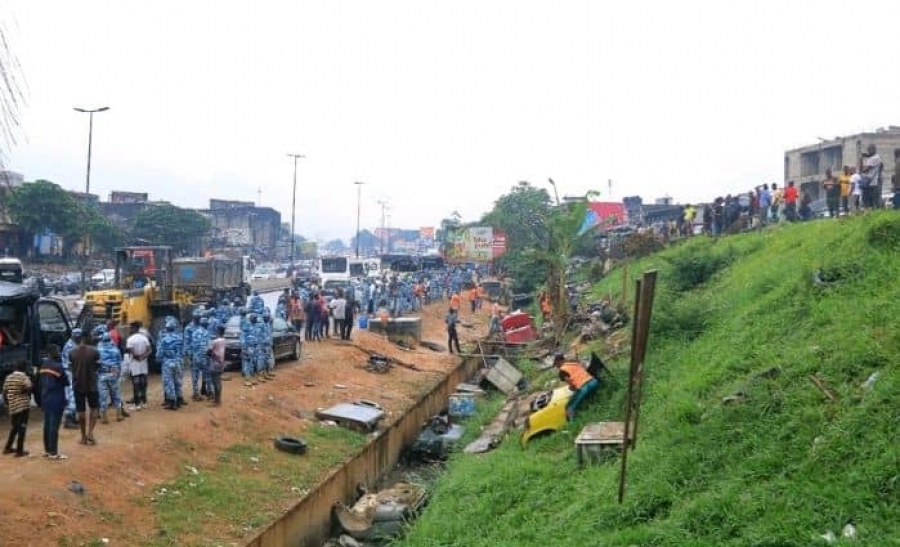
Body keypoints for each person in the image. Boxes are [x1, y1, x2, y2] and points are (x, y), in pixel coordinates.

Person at [69, 330, 101, 445]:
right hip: (92, 384)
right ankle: (90, 433)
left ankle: (83, 437)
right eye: (92, 336)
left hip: (78, 385)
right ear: (87, 338)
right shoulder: (94, 351)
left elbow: (70, 366)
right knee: (93, 409)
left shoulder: (72, 352)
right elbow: (99, 366)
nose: (93, 338)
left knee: (80, 411)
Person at [39, 345, 69, 460]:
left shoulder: (44, 365)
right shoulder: (58, 367)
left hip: (45, 397)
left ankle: (47, 450)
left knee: (47, 425)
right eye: (58, 351)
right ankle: (53, 452)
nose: (59, 353)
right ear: (52, 353)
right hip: (56, 398)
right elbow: (66, 382)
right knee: (54, 426)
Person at [96, 325, 128, 423]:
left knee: (103, 396)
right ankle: (118, 415)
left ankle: (104, 417)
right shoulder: (115, 349)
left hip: (102, 375)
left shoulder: (98, 349)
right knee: (116, 394)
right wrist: (118, 374)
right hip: (113, 373)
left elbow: (96, 363)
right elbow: (119, 362)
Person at [553, 353, 599, 421]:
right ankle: (594, 407)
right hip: (594, 381)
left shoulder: (562, 371)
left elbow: (571, 384)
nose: (556, 366)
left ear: (559, 361)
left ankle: (573, 423)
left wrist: (572, 388)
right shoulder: (574, 363)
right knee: (587, 396)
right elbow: (584, 369)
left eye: (556, 364)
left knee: (568, 407)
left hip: (584, 387)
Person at [2, 360, 32, 457]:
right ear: (24, 368)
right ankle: (19, 451)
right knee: (22, 428)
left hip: (13, 406)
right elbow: (29, 387)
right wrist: (22, 392)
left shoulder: (8, 377)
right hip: (23, 406)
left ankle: (8, 448)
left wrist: (8, 403)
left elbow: (4, 392)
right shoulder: (23, 377)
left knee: (15, 428)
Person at [157, 316, 184, 410]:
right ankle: (180, 400)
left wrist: (158, 359)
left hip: (167, 363)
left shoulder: (163, 340)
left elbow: (159, 353)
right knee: (178, 381)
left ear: (167, 329)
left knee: (169, 382)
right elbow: (183, 351)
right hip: (178, 361)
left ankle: (172, 403)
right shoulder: (180, 338)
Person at [124, 321, 150, 410]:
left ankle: (137, 404)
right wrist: (143, 357)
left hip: (134, 364)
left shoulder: (130, 339)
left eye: (131, 328)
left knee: (135, 384)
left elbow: (130, 350)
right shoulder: (144, 338)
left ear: (134, 328)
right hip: (143, 364)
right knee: (143, 383)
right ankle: (144, 402)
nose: (130, 329)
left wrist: (137, 357)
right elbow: (149, 350)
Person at [61, 328, 82, 429]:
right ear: (74, 336)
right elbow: (71, 364)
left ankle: (72, 417)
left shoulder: (74, 344)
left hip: (72, 372)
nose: (79, 339)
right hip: (69, 373)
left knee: (74, 395)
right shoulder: (70, 346)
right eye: (78, 337)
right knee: (71, 396)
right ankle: (68, 419)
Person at [191, 317, 211, 401]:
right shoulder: (207, 333)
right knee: (207, 376)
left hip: (196, 357)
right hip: (204, 358)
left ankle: (196, 394)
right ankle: (209, 393)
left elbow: (192, 346)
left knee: (195, 377)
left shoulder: (194, 332)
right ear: (205, 324)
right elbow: (209, 347)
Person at [207, 326, 227, 406]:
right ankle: (218, 400)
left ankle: (217, 401)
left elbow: (208, 352)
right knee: (218, 381)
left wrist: (215, 357)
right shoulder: (224, 340)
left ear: (218, 331)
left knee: (215, 382)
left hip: (215, 364)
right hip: (221, 363)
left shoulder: (215, 341)